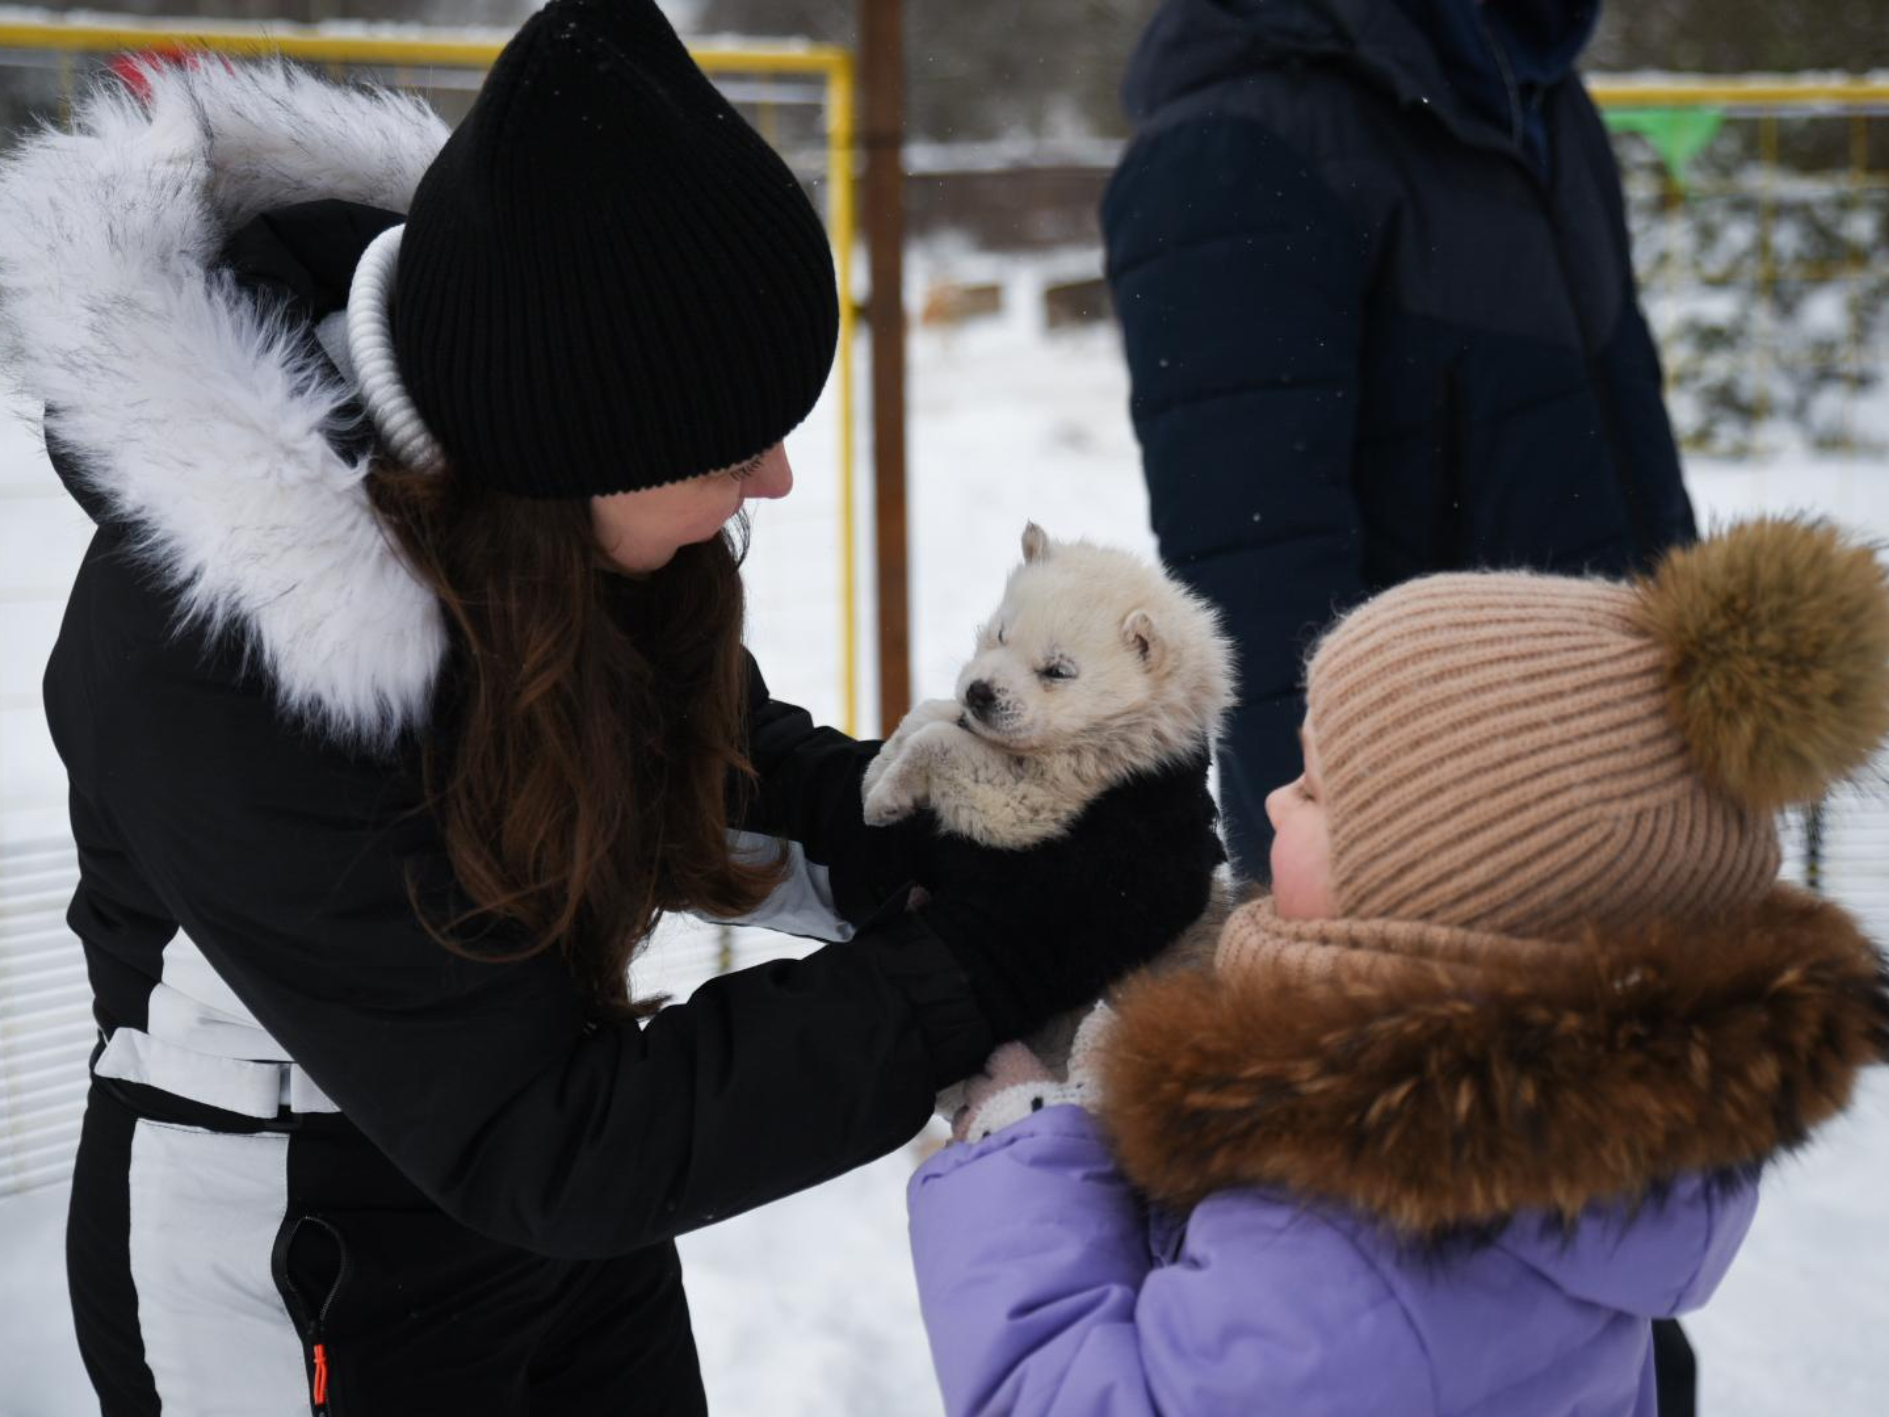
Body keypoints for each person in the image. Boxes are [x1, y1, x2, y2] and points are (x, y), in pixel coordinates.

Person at [0, 5, 1224, 1413]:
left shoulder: (543, 500)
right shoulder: (218, 651)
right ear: (582, 438)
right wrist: (975, 969)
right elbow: (545, 1137)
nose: (771, 484)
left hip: (560, 1226)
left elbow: (702, 771)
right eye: (734, 442)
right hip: (299, 1258)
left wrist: (980, 841)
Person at [907, 519, 1889, 1417]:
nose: (1278, 801)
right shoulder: (1567, 1170)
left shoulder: (1362, 1243)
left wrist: (1019, 1153)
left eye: (1321, 790)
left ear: (1438, 894)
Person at [1101, 0, 1693, 881]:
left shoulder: (1541, 95)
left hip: (1644, 795)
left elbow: (1628, 436)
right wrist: (1318, 914)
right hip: (1451, 852)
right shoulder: (1232, 143)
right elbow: (1258, 582)